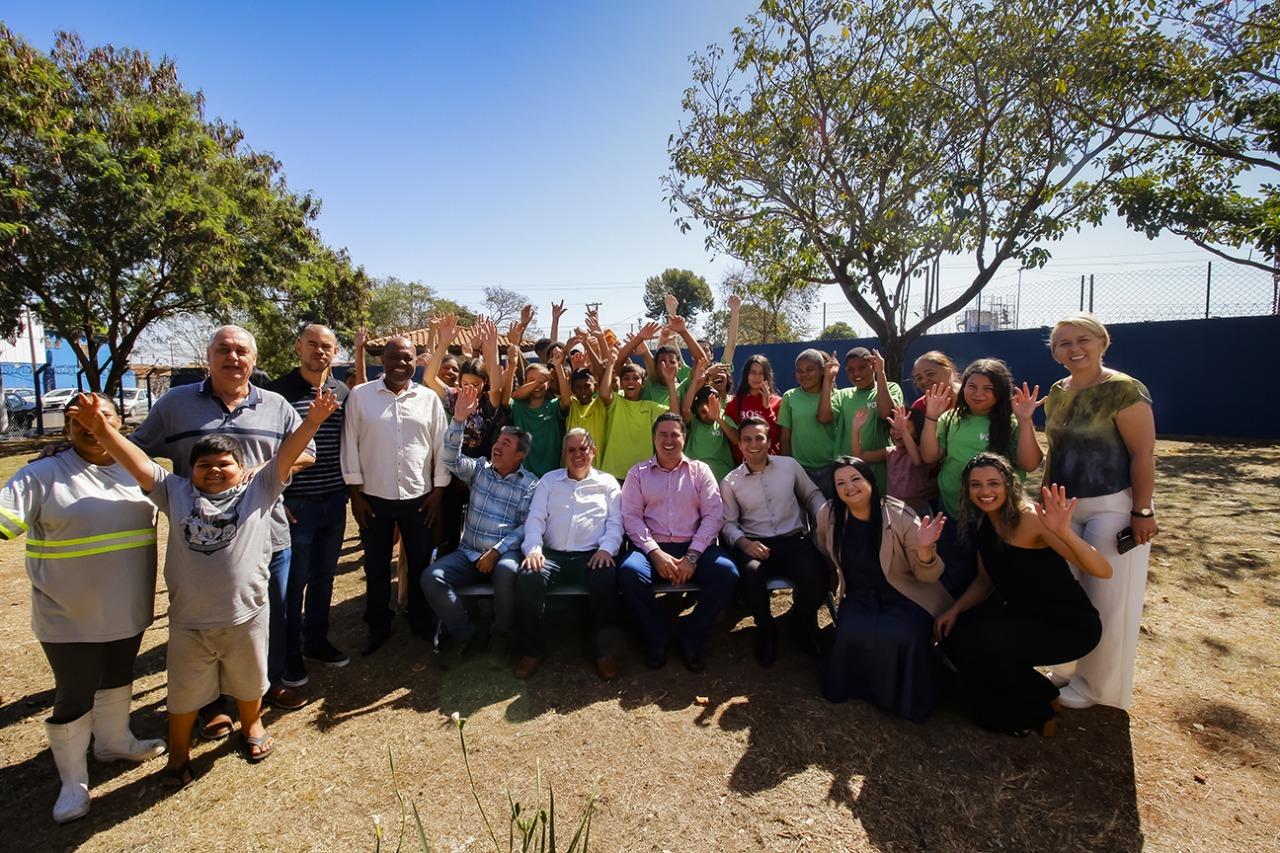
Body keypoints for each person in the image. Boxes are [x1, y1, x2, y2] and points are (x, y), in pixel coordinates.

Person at [70, 386, 339, 787]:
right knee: (182, 695)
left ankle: (253, 727)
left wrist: (313, 421)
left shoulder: (259, 490)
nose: (213, 470)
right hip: (189, 622)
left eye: (223, 463)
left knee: (250, 683)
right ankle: (178, 756)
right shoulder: (174, 492)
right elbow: (139, 462)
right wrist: (104, 432)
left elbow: (287, 454)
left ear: (241, 466)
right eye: (204, 464)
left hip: (245, 615)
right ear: (189, 471)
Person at [130, 326, 314, 721]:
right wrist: (78, 448)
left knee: (273, 611)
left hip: (268, 533)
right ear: (209, 355)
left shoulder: (276, 405)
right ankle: (211, 702)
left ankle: (269, 680)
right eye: (223, 350)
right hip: (201, 541)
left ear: (254, 358)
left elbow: (307, 454)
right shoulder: (174, 404)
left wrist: (266, 470)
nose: (233, 358)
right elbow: (136, 449)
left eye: (241, 351)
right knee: (205, 618)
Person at [0, 395, 165, 823]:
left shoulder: (138, 469)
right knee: (74, 693)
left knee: (117, 676)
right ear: (67, 428)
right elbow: (4, 522)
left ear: (119, 423)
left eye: (102, 418)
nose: (92, 427)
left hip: (128, 606)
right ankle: (73, 781)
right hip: (68, 615)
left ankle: (114, 743)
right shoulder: (43, 473)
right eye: (80, 421)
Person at [935, 453, 1109, 736]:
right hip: (1022, 617)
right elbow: (984, 581)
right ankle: (1042, 691)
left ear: (1008, 484)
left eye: (993, 483)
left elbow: (1102, 570)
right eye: (976, 485)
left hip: (1068, 625)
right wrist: (954, 611)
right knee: (955, 635)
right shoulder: (984, 523)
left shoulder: (1032, 520)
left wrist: (1064, 533)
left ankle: (1036, 711)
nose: (985, 492)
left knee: (989, 647)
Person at [1042, 313, 1156, 711]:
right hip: (1064, 507)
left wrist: (1141, 511)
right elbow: (1055, 450)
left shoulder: (1124, 389)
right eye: (1063, 344)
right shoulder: (1057, 392)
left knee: (1106, 596)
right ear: (1055, 353)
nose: (1074, 349)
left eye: (1082, 340)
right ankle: (1065, 666)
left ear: (1102, 342)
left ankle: (1098, 687)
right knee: (1066, 591)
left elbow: (1143, 453)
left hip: (1112, 504)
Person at [816, 456, 950, 722]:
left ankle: (908, 699)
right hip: (859, 594)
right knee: (850, 630)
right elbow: (824, 547)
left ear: (870, 481)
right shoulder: (829, 515)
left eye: (856, 479)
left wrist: (924, 550)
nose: (849, 487)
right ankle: (859, 689)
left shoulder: (899, 515)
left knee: (904, 634)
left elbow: (929, 574)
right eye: (841, 482)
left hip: (905, 594)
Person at [341, 335, 451, 654]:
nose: (400, 364)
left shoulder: (428, 399)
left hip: (420, 499)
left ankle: (419, 620)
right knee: (375, 567)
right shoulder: (361, 397)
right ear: (383, 361)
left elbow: (441, 447)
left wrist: (438, 493)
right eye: (394, 357)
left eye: (407, 358)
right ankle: (378, 624)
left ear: (416, 361)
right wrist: (355, 495)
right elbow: (349, 445)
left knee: (419, 565)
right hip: (373, 499)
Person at [618, 412, 739, 671]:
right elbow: (631, 517)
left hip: (694, 545)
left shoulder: (700, 471)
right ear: (653, 438)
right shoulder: (638, 473)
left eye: (675, 434)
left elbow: (713, 515)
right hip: (652, 546)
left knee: (727, 573)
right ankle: (656, 636)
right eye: (663, 434)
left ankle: (692, 635)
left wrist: (693, 556)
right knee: (629, 573)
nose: (669, 440)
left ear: (684, 437)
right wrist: (654, 553)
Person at [424, 385, 538, 657]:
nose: (497, 447)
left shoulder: (530, 484)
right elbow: (449, 458)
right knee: (431, 577)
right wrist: (459, 419)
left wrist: (497, 551)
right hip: (468, 553)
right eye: (498, 442)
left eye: (506, 445)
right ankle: (466, 633)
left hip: (503, 554)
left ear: (520, 455)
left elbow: (527, 526)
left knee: (508, 570)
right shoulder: (479, 470)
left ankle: (502, 634)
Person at [267, 324, 351, 691]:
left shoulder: (342, 392)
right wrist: (277, 497)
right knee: (293, 583)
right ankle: (288, 656)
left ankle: (316, 641)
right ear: (298, 346)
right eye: (313, 344)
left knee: (324, 578)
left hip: (334, 500)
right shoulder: (276, 394)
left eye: (327, 347)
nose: (320, 351)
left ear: (334, 353)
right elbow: (268, 449)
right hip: (294, 504)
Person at [918, 357, 1044, 597]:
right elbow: (930, 456)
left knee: (995, 577)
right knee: (955, 574)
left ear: (1001, 392)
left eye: (988, 389)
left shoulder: (1010, 422)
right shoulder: (950, 419)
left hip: (998, 519)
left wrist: (1026, 421)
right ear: (963, 386)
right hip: (954, 513)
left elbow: (1029, 463)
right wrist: (931, 418)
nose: (978, 394)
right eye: (972, 386)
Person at [515, 429, 624, 680]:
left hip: (592, 556)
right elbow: (535, 519)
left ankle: (601, 651)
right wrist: (533, 549)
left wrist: (607, 549)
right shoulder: (549, 481)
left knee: (606, 576)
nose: (578, 454)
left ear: (593, 452)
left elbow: (616, 523)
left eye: (583, 449)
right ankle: (533, 649)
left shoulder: (608, 483)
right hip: (551, 556)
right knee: (528, 574)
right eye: (571, 450)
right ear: (564, 454)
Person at [720, 416, 828, 667]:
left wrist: (823, 514)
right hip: (756, 544)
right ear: (740, 445)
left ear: (769, 441)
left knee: (817, 577)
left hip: (793, 540)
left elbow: (811, 495)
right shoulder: (730, 482)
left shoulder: (789, 466)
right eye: (747, 439)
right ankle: (766, 630)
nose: (753, 443)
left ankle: (799, 625)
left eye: (759, 438)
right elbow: (728, 523)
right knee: (749, 576)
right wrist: (744, 544)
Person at [599, 323, 678, 481]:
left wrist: (670, 383)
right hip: (612, 475)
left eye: (636, 378)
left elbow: (674, 414)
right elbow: (603, 393)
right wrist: (611, 365)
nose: (631, 382)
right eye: (626, 378)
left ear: (643, 384)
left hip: (642, 475)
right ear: (621, 383)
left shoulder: (648, 406)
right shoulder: (616, 402)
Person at [821, 347, 903, 494]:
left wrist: (881, 373)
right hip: (846, 471)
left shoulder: (891, 388)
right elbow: (824, 418)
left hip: (879, 471)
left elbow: (886, 414)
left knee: (879, 512)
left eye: (862, 367)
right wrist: (828, 380)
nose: (856, 373)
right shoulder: (843, 395)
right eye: (851, 370)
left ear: (873, 365)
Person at [851, 405, 936, 515]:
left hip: (917, 510)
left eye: (905, 427)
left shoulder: (923, 452)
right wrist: (856, 429)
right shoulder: (890, 452)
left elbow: (917, 461)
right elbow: (860, 455)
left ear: (916, 432)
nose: (897, 431)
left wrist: (903, 431)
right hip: (893, 510)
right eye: (893, 427)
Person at [778, 349, 839, 499]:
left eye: (810, 370)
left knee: (830, 517)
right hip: (801, 470)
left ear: (821, 370)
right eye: (799, 370)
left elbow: (825, 418)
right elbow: (785, 438)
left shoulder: (837, 397)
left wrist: (828, 381)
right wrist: (788, 469)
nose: (804, 374)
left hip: (831, 469)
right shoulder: (790, 397)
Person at [681, 359, 739, 483]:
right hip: (694, 478)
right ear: (697, 409)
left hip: (722, 479)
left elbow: (737, 440)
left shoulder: (723, 418)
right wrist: (696, 381)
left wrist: (718, 418)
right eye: (703, 412)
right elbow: (685, 409)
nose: (708, 415)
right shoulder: (695, 421)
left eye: (711, 407)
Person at [510, 361, 565, 477]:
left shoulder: (554, 406)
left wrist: (559, 366)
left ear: (549, 384)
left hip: (552, 477)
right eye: (531, 380)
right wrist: (537, 382)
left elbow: (567, 401)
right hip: (524, 478)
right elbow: (514, 396)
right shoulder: (518, 407)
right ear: (525, 383)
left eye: (542, 381)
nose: (537, 385)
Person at [725, 354, 782, 461]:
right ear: (746, 375)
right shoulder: (735, 402)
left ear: (767, 376)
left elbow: (775, 439)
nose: (757, 377)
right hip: (744, 465)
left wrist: (766, 408)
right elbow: (733, 439)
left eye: (761, 373)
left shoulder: (777, 402)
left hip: (770, 463)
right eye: (753, 372)